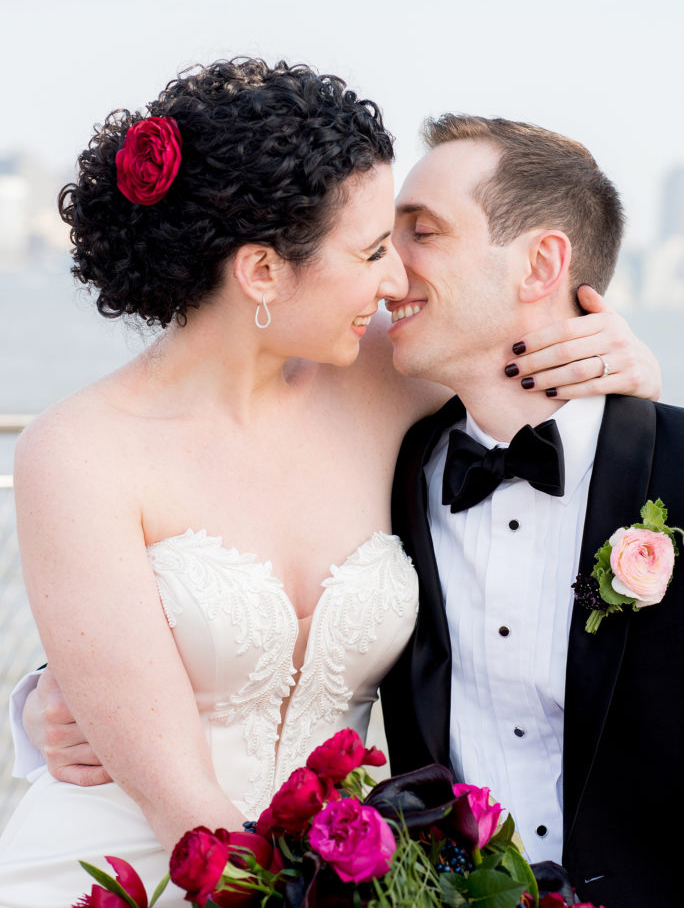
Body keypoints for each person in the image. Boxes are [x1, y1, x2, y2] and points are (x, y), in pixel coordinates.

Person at [0, 59, 658, 907]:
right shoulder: (77, 449)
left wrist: (626, 360)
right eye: (374, 248)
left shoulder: (386, 375)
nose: (395, 281)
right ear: (264, 274)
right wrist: (41, 704)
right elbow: (188, 817)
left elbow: (515, 347)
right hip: (135, 867)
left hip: (334, 875)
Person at [379, 114, 684, 908]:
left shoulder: (678, 463)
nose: (386, 266)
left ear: (540, 263)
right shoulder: (392, 471)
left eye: (423, 232)